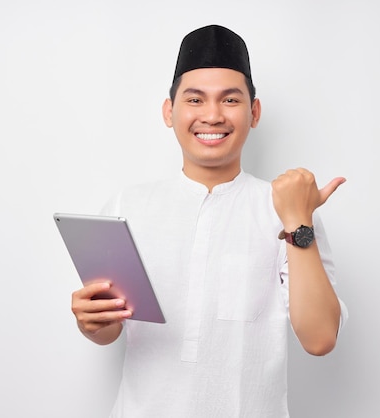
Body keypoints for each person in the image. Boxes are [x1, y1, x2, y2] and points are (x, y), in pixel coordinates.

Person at [71, 24, 348, 417]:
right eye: (195, 99)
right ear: (170, 112)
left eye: (230, 100)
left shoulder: (287, 209)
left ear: (254, 112)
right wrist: (91, 322)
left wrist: (297, 221)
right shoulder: (127, 205)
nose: (213, 115)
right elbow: (110, 328)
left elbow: (320, 338)